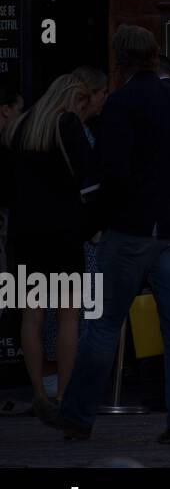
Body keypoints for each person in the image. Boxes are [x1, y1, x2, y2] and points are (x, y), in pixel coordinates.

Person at [40, 25, 170, 443]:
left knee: (105, 324)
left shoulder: (121, 104)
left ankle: (77, 416)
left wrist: (92, 218)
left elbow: (110, 171)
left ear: (120, 59)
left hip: (131, 227)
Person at [0, 75, 96, 412]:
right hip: (63, 233)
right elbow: (89, 172)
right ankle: (64, 395)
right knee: (69, 316)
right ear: (75, 99)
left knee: (31, 316)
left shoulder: (18, 126)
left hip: (24, 234)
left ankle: (39, 393)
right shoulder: (66, 124)